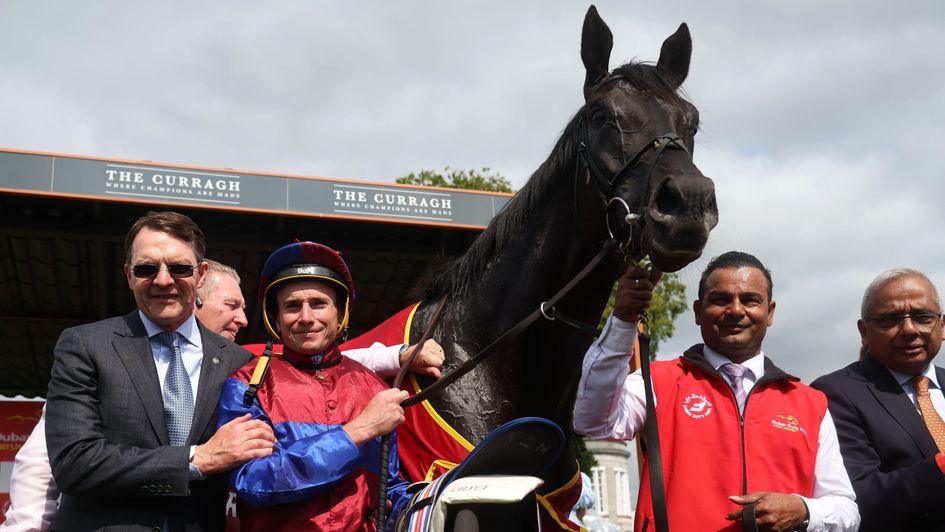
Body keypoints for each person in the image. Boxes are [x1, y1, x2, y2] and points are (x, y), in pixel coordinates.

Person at [573, 251, 859, 532]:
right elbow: (592, 421)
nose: (735, 310)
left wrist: (802, 510)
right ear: (698, 311)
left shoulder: (809, 402)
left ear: (769, 313)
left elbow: (846, 510)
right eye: (721, 300)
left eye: (750, 300)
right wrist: (623, 320)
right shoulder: (656, 381)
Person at [44, 211, 277, 531]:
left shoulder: (239, 363)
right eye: (146, 268)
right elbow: (74, 465)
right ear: (128, 274)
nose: (163, 280)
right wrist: (197, 460)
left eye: (179, 268)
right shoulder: (84, 345)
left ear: (201, 274)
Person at [216, 241, 412, 531]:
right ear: (277, 318)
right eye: (292, 306)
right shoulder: (246, 384)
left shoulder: (375, 389)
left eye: (319, 304)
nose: (306, 317)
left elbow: (389, 488)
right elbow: (254, 481)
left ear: (339, 312)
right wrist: (359, 431)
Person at [812, 268, 945, 531]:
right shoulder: (834, 394)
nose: (909, 329)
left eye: (922, 317)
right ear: (864, 331)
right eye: (891, 319)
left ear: (942, 326)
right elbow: (859, 499)